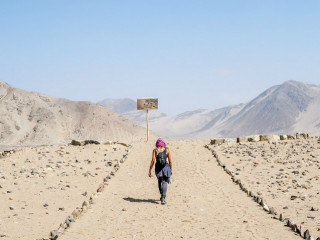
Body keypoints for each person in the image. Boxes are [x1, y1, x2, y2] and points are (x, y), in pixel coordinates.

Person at [148, 138, 173, 205]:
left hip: (158, 168)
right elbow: (170, 161)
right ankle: (163, 198)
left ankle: (162, 195)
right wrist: (171, 169)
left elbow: (153, 160)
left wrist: (150, 170)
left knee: (160, 181)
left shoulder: (155, 150)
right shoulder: (167, 150)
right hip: (166, 168)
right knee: (164, 182)